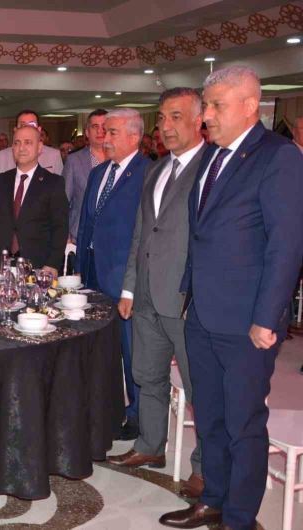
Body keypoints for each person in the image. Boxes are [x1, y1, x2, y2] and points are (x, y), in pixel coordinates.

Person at [160, 66, 303, 530]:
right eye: (207, 106)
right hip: (202, 312)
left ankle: (240, 518)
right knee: (211, 417)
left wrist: (267, 316)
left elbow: (286, 244)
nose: (207, 116)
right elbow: (202, 232)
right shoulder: (212, 156)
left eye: (217, 106)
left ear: (250, 106)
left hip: (247, 320)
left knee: (243, 423)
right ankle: (214, 500)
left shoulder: (278, 156)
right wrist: (188, 296)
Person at [108, 88, 207, 500]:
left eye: (176, 117)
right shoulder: (157, 169)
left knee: (199, 388)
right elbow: (141, 232)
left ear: (200, 119)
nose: (166, 126)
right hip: (147, 293)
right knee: (146, 375)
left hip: (185, 299)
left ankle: (205, 468)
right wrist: (129, 286)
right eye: (162, 118)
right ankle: (150, 445)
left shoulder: (210, 167)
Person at [76, 108, 149, 441]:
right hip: (92, 272)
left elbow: (144, 232)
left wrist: (131, 282)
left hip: (123, 276)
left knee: (131, 348)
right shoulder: (99, 172)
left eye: (113, 132)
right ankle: (103, 406)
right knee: (100, 346)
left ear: (134, 136)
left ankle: (137, 414)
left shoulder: (147, 173)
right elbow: (86, 223)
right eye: (104, 131)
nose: (104, 138)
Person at [0, 125, 68, 276]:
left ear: (39, 147)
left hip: (38, 266)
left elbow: (60, 227)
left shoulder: (53, 183)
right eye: (17, 143)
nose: (21, 148)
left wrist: (52, 263)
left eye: (28, 142)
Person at [63, 109, 107, 244]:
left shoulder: (120, 159)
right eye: (95, 127)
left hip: (112, 238)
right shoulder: (74, 160)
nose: (100, 131)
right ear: (87, 132)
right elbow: (63, 201)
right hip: (80, 237)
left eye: (104, 126)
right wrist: (66, 236)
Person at [0, 110, 63, 181]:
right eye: (23, 125)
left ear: (39, 129)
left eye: (32, 125)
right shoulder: (0, 157)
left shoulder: (54, 155)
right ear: (15, 130)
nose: (27, 128)